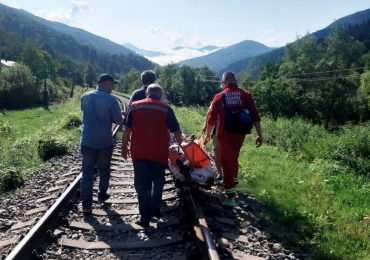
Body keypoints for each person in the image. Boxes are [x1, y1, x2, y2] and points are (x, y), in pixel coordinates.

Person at [121, 84, 182, 227]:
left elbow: (127, 130)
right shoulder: (166, 109)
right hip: (159, 152)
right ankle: (155, 209)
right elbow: (177, 132)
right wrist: (181, 147)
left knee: (142, 185)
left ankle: (144, 218)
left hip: (139, 152)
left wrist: (124, 147)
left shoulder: (135, 106)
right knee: (158, 180)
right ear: (160, 95)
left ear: (147, 93)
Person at [205, 72, 263, 207]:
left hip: (224, 135)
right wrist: (259, 134)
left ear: (224, 82)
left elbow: (211, 118)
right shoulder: (246, 94)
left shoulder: (220, 96)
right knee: (234, 157)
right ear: (235, 81)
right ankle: (234, 181)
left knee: (226, 162)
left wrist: (208, 134)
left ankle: (230, 197)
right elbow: (255, 115)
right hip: (240, 134)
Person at [80, 73, 124, 214]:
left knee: (87, 172)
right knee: (104, 169)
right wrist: (122, 116)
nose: (113, 87)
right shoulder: (111, 99)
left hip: (87, 140)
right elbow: (118, 120)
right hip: (104, 141)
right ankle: (101, 195)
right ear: (106, 83)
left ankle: (86, 204)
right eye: (112, 84)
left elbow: (85, 113)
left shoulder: (85, 96)